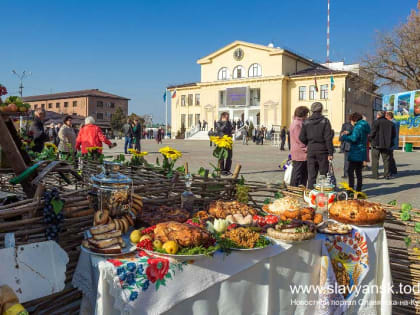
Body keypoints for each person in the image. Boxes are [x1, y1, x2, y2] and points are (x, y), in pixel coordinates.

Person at [299, 102, 334, 189]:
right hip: (323, 151)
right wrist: (330, 153)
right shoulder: (325, 121)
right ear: (321, 110)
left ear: (312, 110)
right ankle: (322, 195)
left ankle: (311, 194)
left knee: (311, 175)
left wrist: (309, 143)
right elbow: (328, 138)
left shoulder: (306, 121)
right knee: (323, 175)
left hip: (311, 150)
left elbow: (301, 137)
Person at [340, 112, 371, 192]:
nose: (351, 122)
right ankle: (359, 190)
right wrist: (350, 133)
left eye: (352, 120)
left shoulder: (358, 126)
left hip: (356, 151)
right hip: (362, 151)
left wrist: (344, 137)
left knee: (350, 171)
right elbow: (359, 135)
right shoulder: (364, 125)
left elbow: (354, 139)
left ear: (354, 119)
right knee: (358, 172)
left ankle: (350, 190)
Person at [370, 111, 396, 179]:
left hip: (376, 144)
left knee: (375, 160)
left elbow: (372, 133)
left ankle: (375, 175)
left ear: (378, 115)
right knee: (386, 160)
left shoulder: (375, 122)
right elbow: (394, 135)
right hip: (386, 145)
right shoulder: (391, 123)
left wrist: (370, 140)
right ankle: (386, 175)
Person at [290, 106, 310, 187]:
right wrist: (306, 148)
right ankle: (293, 190)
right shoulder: (297, 124)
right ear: (303, 114)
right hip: (300, 152)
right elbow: (299, 139)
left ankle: (300, 189)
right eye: (306, 114)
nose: (307, 116)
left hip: (300, 151)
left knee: (301, 172)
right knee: (297, 173)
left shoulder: (298, 122)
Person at [386, 111, 399, 175]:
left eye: (386, 116)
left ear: (389, 116)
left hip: (391, 142)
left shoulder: (392, 123)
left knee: (389, 157)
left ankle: (390, 171)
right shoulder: (396, 122)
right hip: (394, 141)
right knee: (391, 156)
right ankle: (394, 170)